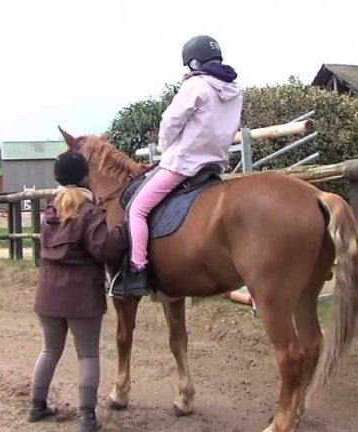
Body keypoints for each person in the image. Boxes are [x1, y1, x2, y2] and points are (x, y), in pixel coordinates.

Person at [121, 35, 244, 296]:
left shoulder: (195, 85)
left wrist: (165, 146)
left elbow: (170, 122)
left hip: (183, 164)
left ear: (194, 62)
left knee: (137, 209)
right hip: (215, 163)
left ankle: (138, 270)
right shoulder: (235, 91)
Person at [29, 150, 128, 432]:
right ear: (86, 176)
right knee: (87, 355)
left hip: (48, 293)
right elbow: (104, 250)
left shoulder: (50, 211)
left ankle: (37, 406)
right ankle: (87, 418)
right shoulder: (89, 212)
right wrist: (123, 230)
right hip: (81, 296)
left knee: (49, 351)